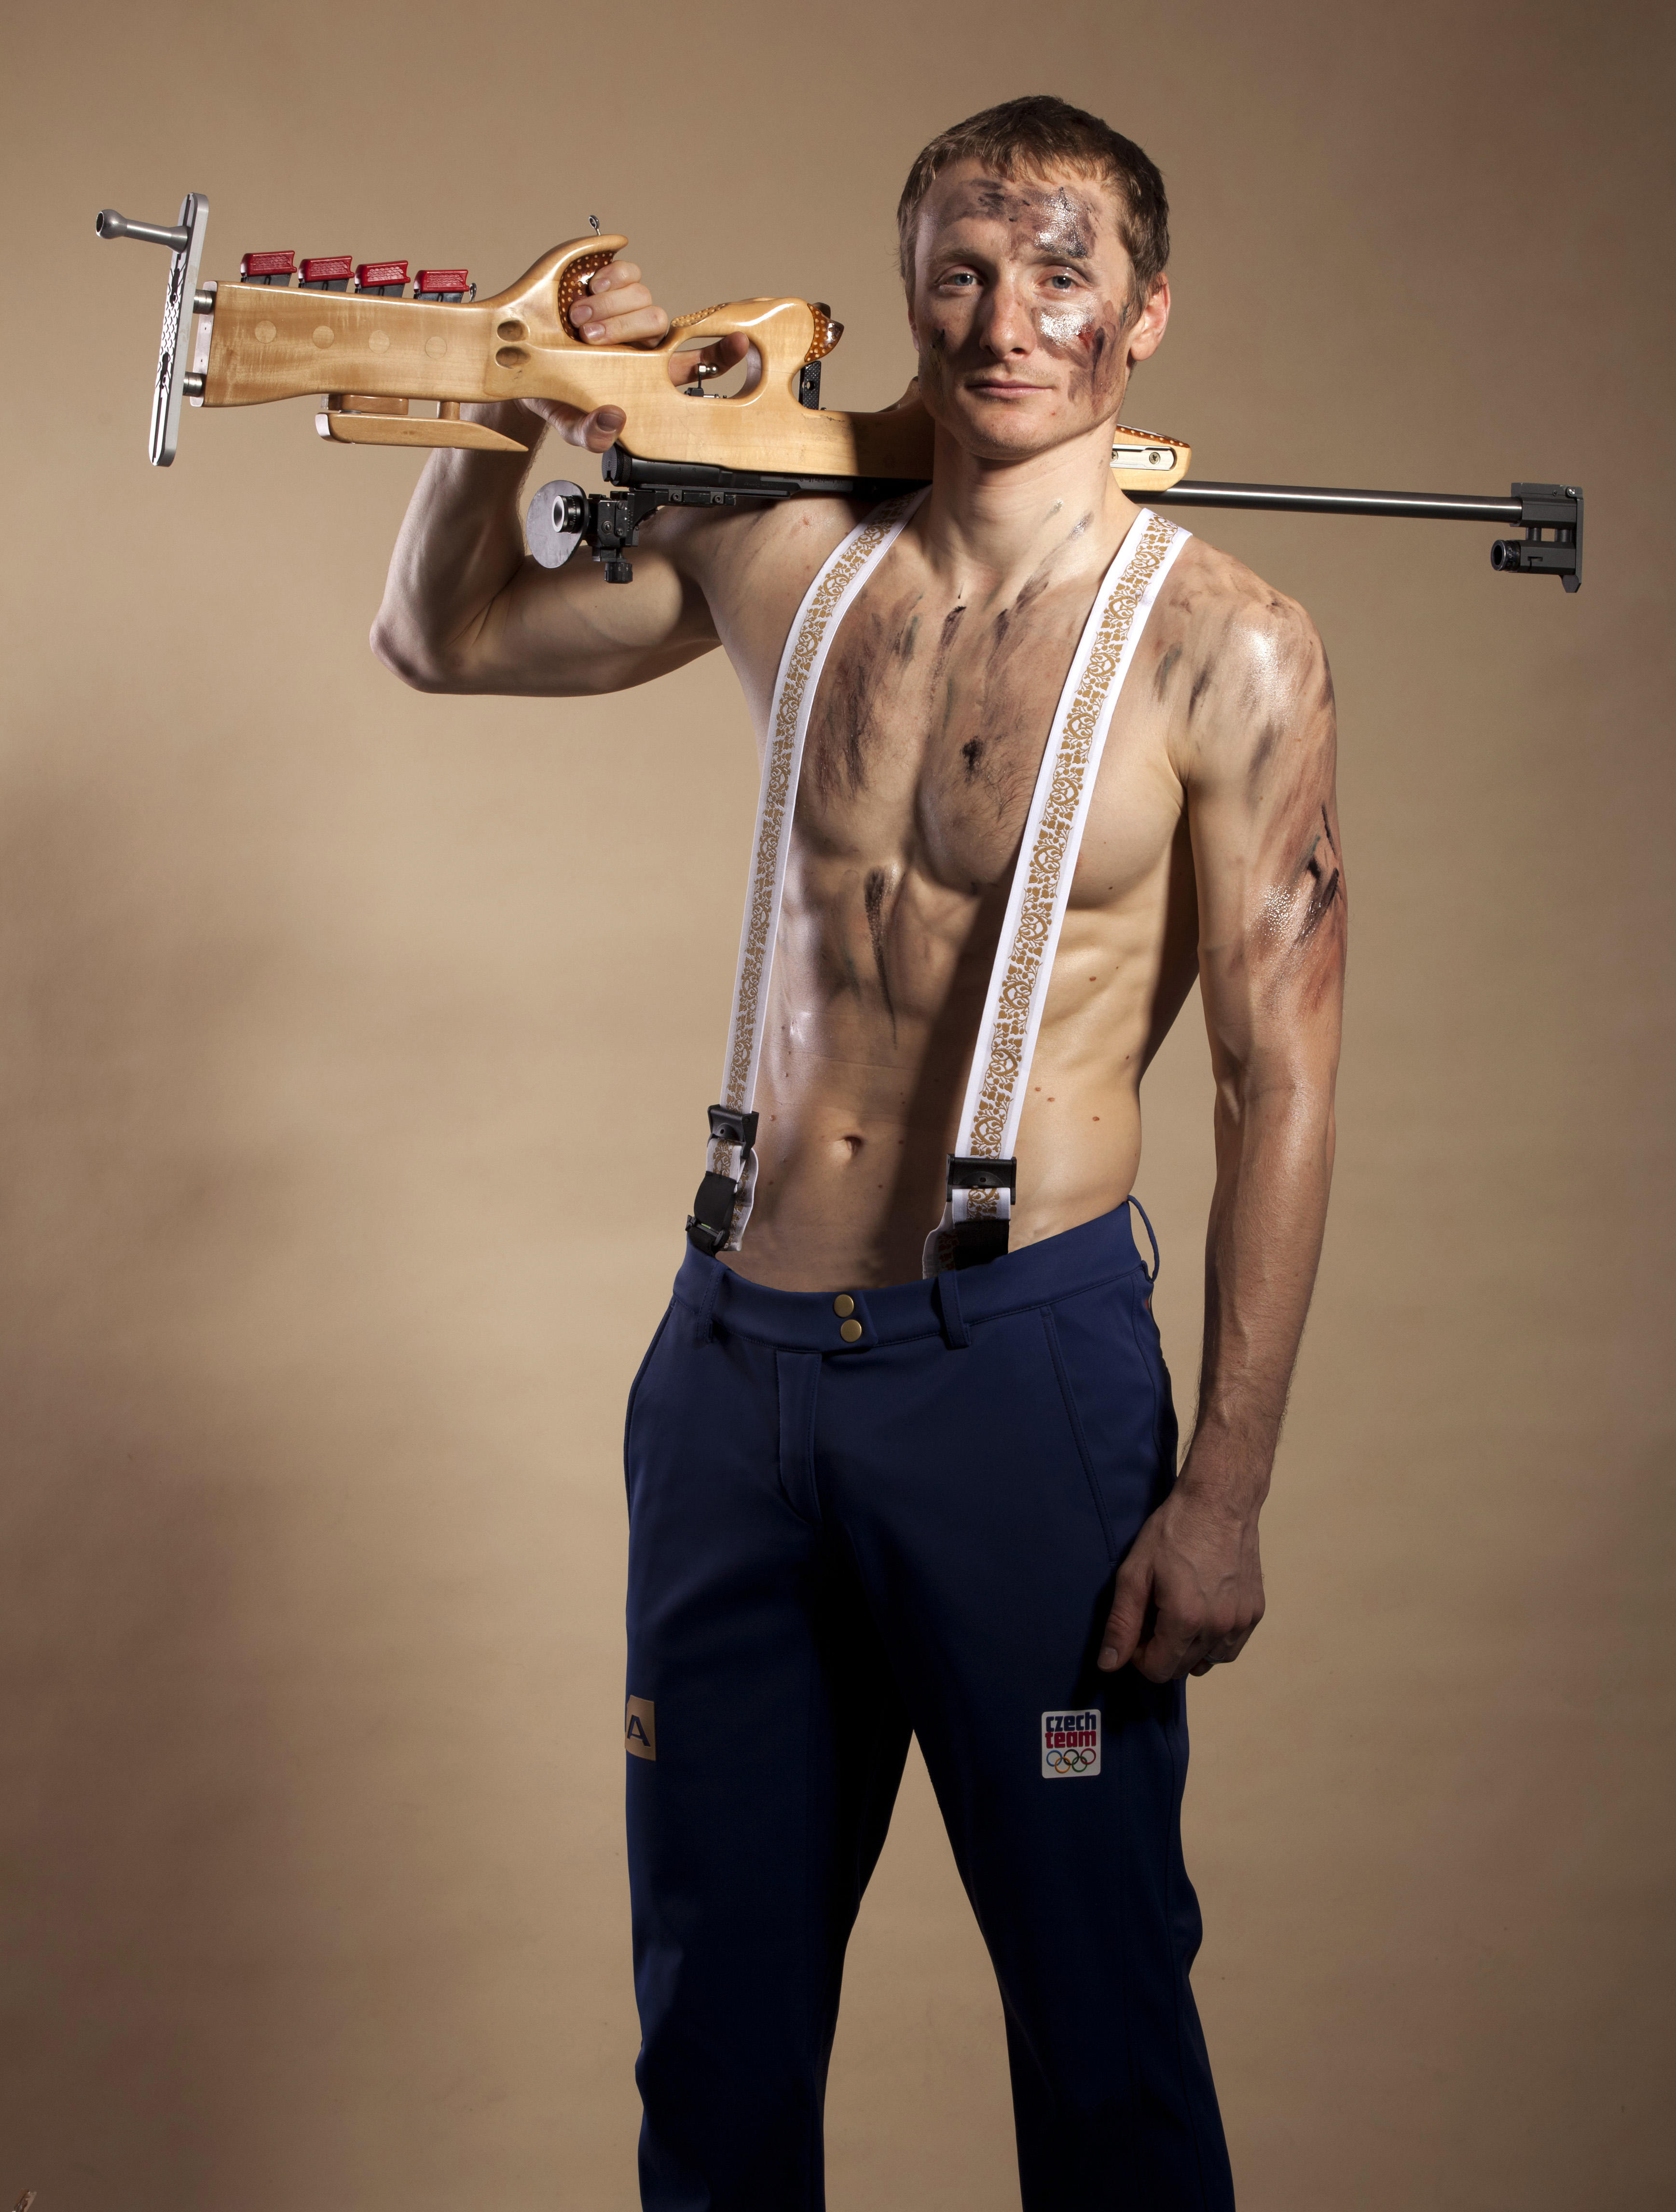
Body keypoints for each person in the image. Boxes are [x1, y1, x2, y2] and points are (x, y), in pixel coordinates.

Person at [373, 94, 1343, 2212]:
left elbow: (1279, 1082)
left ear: (1144, 316)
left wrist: (1227, 1490)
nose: (1008, 322)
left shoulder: (1228, 645)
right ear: (908, 287)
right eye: (964, 274)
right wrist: (515, 396)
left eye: (1063, 277)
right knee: (713, 2034)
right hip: (733, 1371)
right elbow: (442, 637)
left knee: (1103, 2033)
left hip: (1020, 1380)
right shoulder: (782, 558)